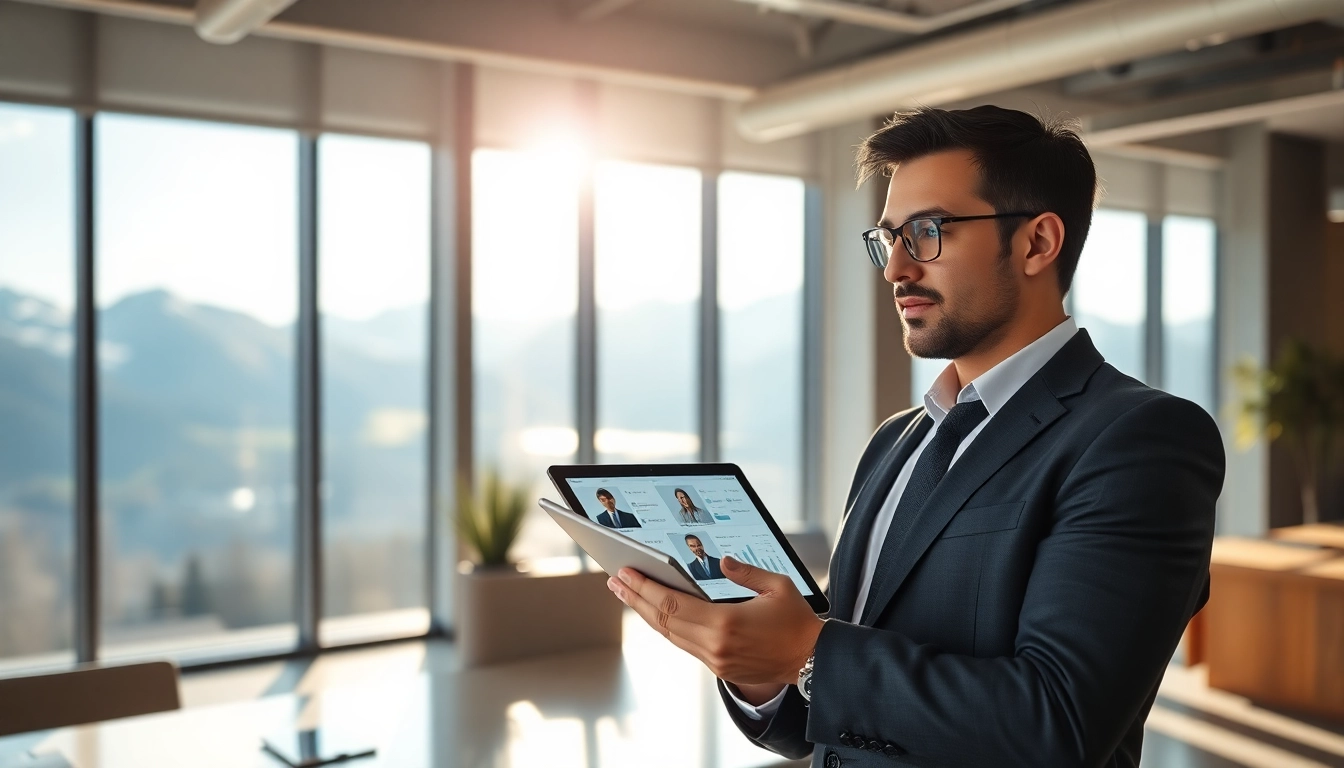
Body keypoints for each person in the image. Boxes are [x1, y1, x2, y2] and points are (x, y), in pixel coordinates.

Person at [605, 105, 1224, 768]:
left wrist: (806, 651)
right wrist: (762, 669)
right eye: (888, 238)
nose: (895, 268)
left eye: (928, 232)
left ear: (1037, 243)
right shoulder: (896, 442)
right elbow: (830, 721)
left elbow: (1060, 724)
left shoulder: (1139, 439)